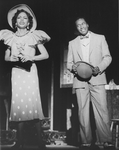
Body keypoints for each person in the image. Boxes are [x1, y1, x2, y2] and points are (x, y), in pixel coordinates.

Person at [0, 4, 50, 149]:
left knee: (33, 102)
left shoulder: (34, 36)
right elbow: (6, 58)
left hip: (30, 73)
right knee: (19, 104)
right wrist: (13, 58)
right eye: (19, 18)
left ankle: (40, 141)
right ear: (15, 22)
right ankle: (19, 141)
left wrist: (31, 57)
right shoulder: (10, 37)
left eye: (25, 18)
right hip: (17, 73)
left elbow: (45, 55)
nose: (22, 20)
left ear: (29, 23)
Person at [67, 17, 113, 149]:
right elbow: (69, 63)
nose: (81, 27)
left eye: (83, 24)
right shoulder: (72, 43)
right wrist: (73, 68)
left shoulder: (100, 38)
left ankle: (106, 140)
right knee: (82, 111)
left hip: (97, 78)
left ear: (87, 24)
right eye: (78, 25)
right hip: (80, 80)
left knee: (102, 109)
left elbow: (108, 57)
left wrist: (99, 68)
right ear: (76, 28)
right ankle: (85, 141)